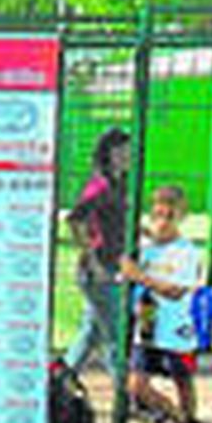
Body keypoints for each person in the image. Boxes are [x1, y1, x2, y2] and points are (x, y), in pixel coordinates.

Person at [118, 185, 212, 423]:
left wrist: (140, 277)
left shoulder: (186, 252)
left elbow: (175, 291)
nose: (162, 221)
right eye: (157, 214)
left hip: (177, 329)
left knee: (182, 381)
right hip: (147, 328)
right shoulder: (144, 250)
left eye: (169, 216)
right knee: (137, 385)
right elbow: (126, 274)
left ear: (181, 216)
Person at [59, 127, 132, 383]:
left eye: (128, 150)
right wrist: (92, 260)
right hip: (97, 270)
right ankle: (126, 395)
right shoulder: (99, 186)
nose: (126, 155)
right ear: (108, 154)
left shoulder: (121, 183)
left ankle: (63, 377)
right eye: (120, 150)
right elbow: (75, 220)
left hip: (113, 266)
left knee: (91, 332)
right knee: (114, 336)